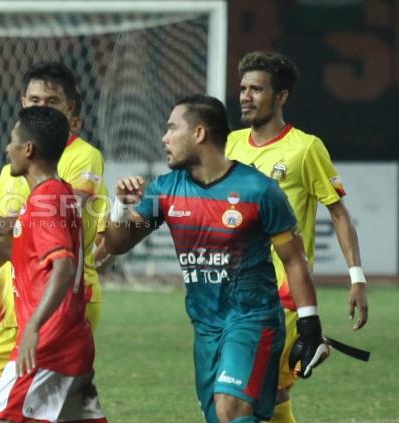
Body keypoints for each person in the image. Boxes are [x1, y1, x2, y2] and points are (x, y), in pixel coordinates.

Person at [104, 95, 328, 423]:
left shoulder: (258, 190)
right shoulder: (166, 189)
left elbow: (294, 260)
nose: (164, 138)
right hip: (206, 327)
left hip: (252, 319)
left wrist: (309, 326)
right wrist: (120, 206)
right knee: (224, 416)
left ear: (198, 133)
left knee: (229, 407)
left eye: (171, 129)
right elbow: (118, 244)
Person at [225, 51, 368, 423]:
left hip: (284, 293)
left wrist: (357, 278)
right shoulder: (231, 145)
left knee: (264, 391)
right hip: (234, 290)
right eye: (243, 88)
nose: (245, 96)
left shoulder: (305, 148)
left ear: (281, 96)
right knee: (249, 394)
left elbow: (338, 212)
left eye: (256, 89)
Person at [0, 63, 108, 422]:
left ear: (28, 149)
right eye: (33, 100)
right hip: (37, 307)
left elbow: (60, 260)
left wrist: (34, 326)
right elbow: (27, 245)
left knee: (0, 412)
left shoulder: (53, 193)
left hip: (51, 321)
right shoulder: (47, 189)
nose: (5, 148)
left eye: (51, 100)